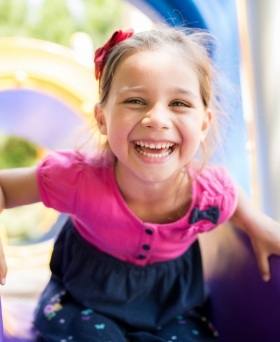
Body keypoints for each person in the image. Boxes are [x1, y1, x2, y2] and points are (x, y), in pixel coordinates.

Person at [0, 26, 280, 342]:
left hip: (171, 311)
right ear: (102, 118)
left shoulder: (208, 195)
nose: (156, 118)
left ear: (203, 124)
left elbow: (230, 191)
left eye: (179, 103)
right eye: (135, 100)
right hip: (82, 302)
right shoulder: (77, 178)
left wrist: (259, 224)